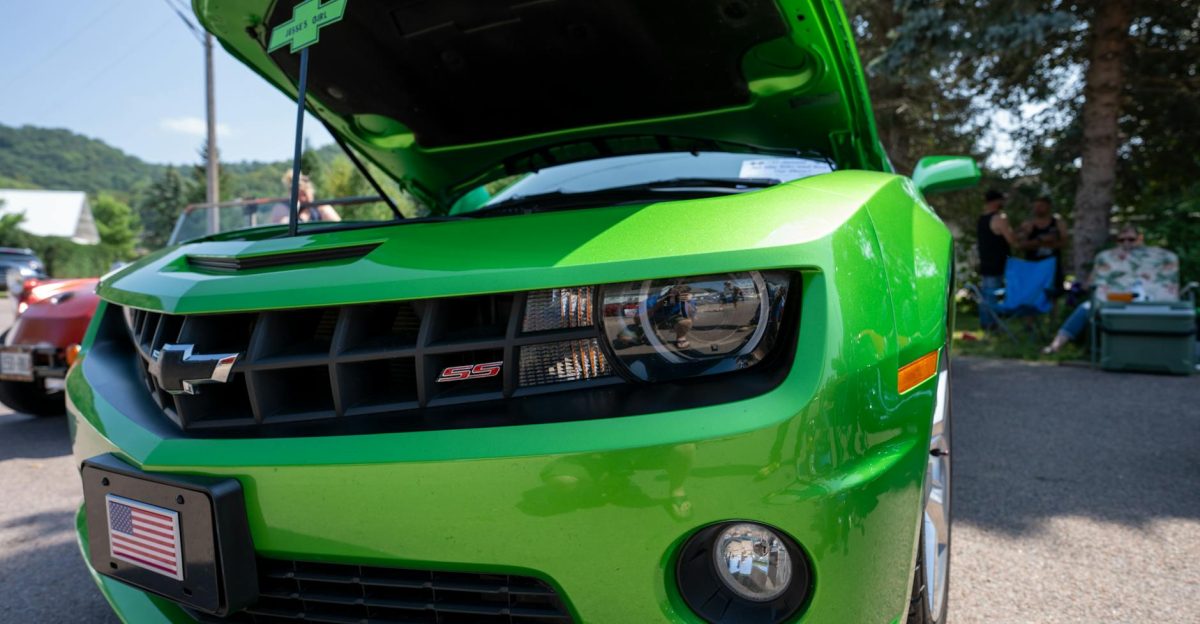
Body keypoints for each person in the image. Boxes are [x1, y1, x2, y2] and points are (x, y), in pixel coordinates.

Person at [1042, 224, 1180, 353]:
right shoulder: (1107, 257)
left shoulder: (1159, 257)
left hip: (1151, 302)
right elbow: (1090, 283)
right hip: (1117, 300)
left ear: (1140, 238)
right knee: (1085, 308)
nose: (1126, 243)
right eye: (1122, 240)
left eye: (1131, 239)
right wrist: (1076, 289)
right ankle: (1056, 346)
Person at [976, 189, 1019, 330]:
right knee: (993, 296)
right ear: (995, 201)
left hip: (986, 262)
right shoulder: (1000, 218)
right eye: (1001, 200)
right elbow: (1011, 239)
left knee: (986, 296)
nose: (1003, 203)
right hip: (998, 264)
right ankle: (991, 325)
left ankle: (987, 324)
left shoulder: (982, 219)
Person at [1018, 196, 1068, 308]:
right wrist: (1040, 240)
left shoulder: (1058, 223)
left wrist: (1051, 242)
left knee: (1054, 294)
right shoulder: (1028, 224)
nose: (1037, 208)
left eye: (1041, 206)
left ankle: (1053, 323)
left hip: (1052, 265)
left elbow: (1064, 243)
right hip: (1033, 265)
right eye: (1035, 206)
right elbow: (1021, 245)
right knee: (1032, 294)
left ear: (1048, 207)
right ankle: (1029, 323)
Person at [271, 171, 341, 224]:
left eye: (304, 194)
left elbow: (337, 226)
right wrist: (300, 216)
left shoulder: (321, 207)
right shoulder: (282, 207)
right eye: (298, 195)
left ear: (311, 192)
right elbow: (283, 228)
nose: (302, 199)